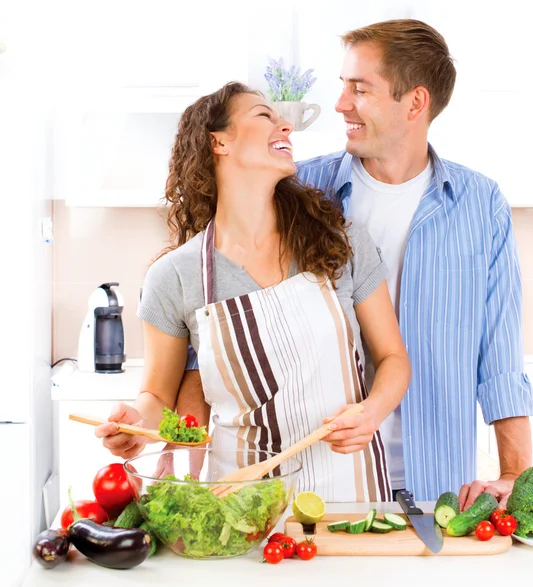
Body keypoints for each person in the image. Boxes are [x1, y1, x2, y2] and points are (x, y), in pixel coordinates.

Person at [95, 82, 411, 502]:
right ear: (219, 141)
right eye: (265, 115)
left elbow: (394, 359)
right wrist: (136, 426)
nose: (285, 125)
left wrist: (372, 412)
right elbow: (157, 397)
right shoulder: (175, 277)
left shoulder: (341, 242)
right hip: (243, 505)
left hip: (350, 499)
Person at [295, 19, 533, 508]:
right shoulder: (300, 192)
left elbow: (500, 358)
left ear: (415, 103)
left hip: (436, 490)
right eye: (344, 86)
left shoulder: (479, 203)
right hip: (316, 483)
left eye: (359, 89)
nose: (341, 104)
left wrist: (516, 476)